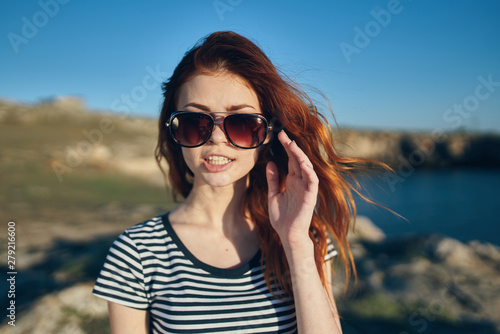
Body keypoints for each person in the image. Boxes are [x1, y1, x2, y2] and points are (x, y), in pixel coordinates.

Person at [93, 31, 371, 333]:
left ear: (266, 134)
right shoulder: (137, 251)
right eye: (194, 122)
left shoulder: (306, 236)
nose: (216, 138)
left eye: (240, 124)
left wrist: (295, 244)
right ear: (174, 132)